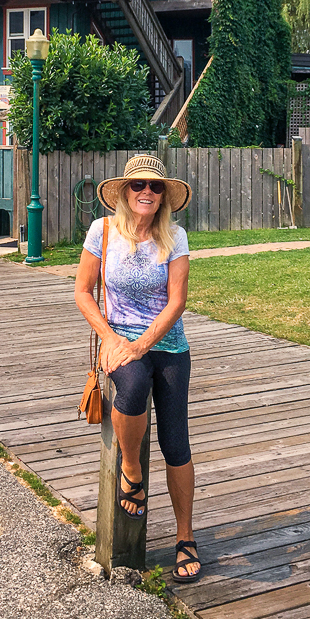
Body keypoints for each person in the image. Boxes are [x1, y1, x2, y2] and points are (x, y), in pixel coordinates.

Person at [74, 155, 201, 582]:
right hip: (118, 339)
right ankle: (132, 470)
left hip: (168, 344)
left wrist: (142, 344)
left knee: (176, 442)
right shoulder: (102, 231)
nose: (147, 192)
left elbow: (177, 301)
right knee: (129, 393)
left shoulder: (175, 236)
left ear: (164, 195)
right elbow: (82, 291)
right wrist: (111, 339)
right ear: (125, 192)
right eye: (138, 185)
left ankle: (185, 537)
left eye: (155, 186)